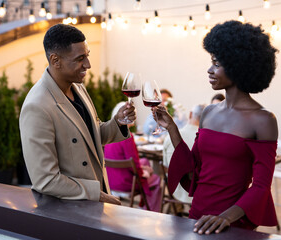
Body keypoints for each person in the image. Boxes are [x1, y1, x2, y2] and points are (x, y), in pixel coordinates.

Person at [155, 20, 278, 234]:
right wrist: (173, 130)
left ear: (238, 65)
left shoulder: (263, 120)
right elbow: (194, 169)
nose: (210, 70)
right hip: (199, 214)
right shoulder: (209, 113)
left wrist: (225, 217)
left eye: (217, 64)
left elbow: (261, 186)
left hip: (233, 221)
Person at [19, 24, 136, 205]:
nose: (88, 65)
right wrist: (97, 194)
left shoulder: (79, 88)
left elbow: (91, 138)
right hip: (71, 211)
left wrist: (118, 123)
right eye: (80, 58)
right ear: (55, 60)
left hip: (95, 202)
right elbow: (45, 180)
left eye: (87, 56)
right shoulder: (37, 107)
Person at [104, 102, 162, 212]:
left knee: (144, 161)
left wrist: (143, 169)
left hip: (110, 180)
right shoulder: (126, 136)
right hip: (125, 183)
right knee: (156, 179)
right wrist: (143, 173)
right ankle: (149, 212)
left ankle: (144, 202)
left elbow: (132, 162)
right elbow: (134, 164)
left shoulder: (108, 132)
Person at [163, 104, 206, 206]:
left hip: (176, 189)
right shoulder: (207, 140)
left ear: (190, 114)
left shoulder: (170, 137)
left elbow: (165, 166)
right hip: (199, 191)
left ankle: (178, 209)